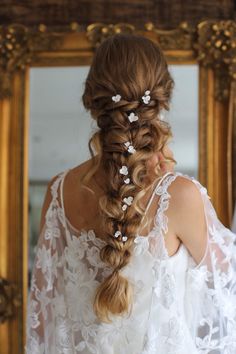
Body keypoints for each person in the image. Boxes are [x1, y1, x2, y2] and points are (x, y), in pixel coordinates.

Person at [26, 34, 236, 354]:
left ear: (92, 100)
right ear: (162, 100)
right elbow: (227, 288)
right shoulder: (179, 197)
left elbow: (42, 322)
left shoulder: (59, 194)